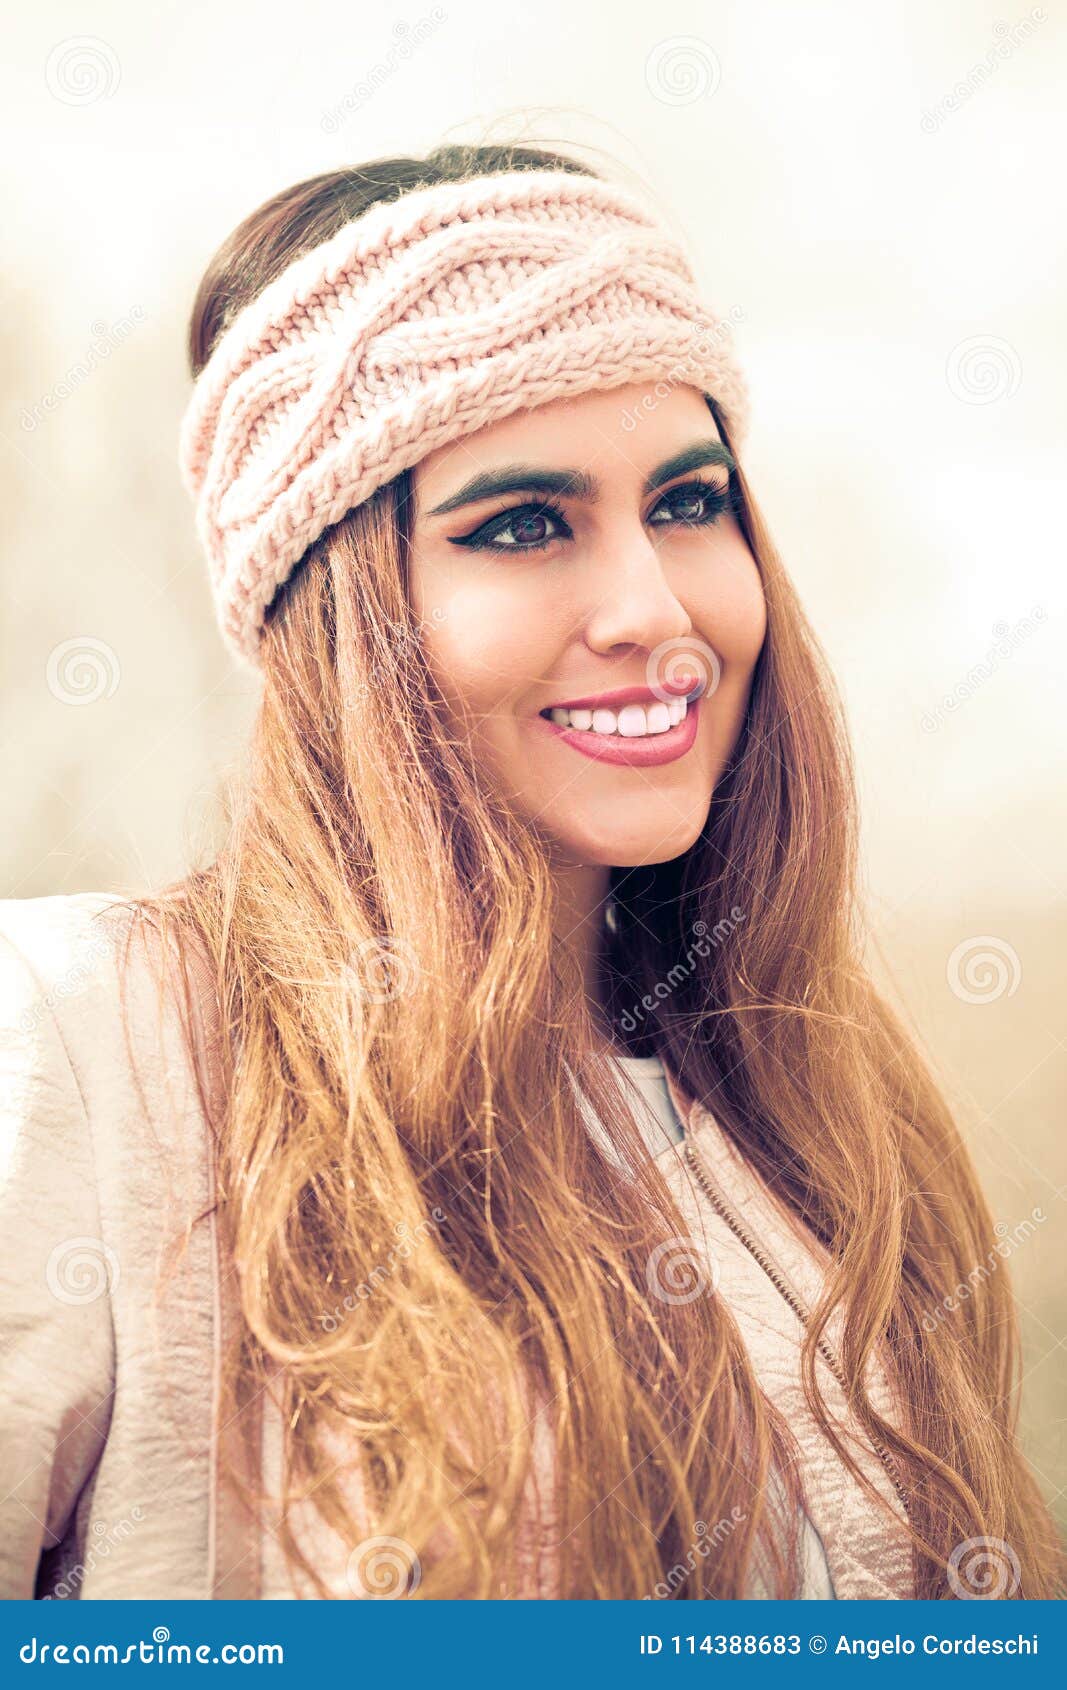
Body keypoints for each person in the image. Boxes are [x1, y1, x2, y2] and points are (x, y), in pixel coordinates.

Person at [1, 141, 1062, 1602]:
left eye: (690, 503)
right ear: (342, 616)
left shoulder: (814, 1116)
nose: (652, 604)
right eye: (521, 525)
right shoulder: (79, 1036)